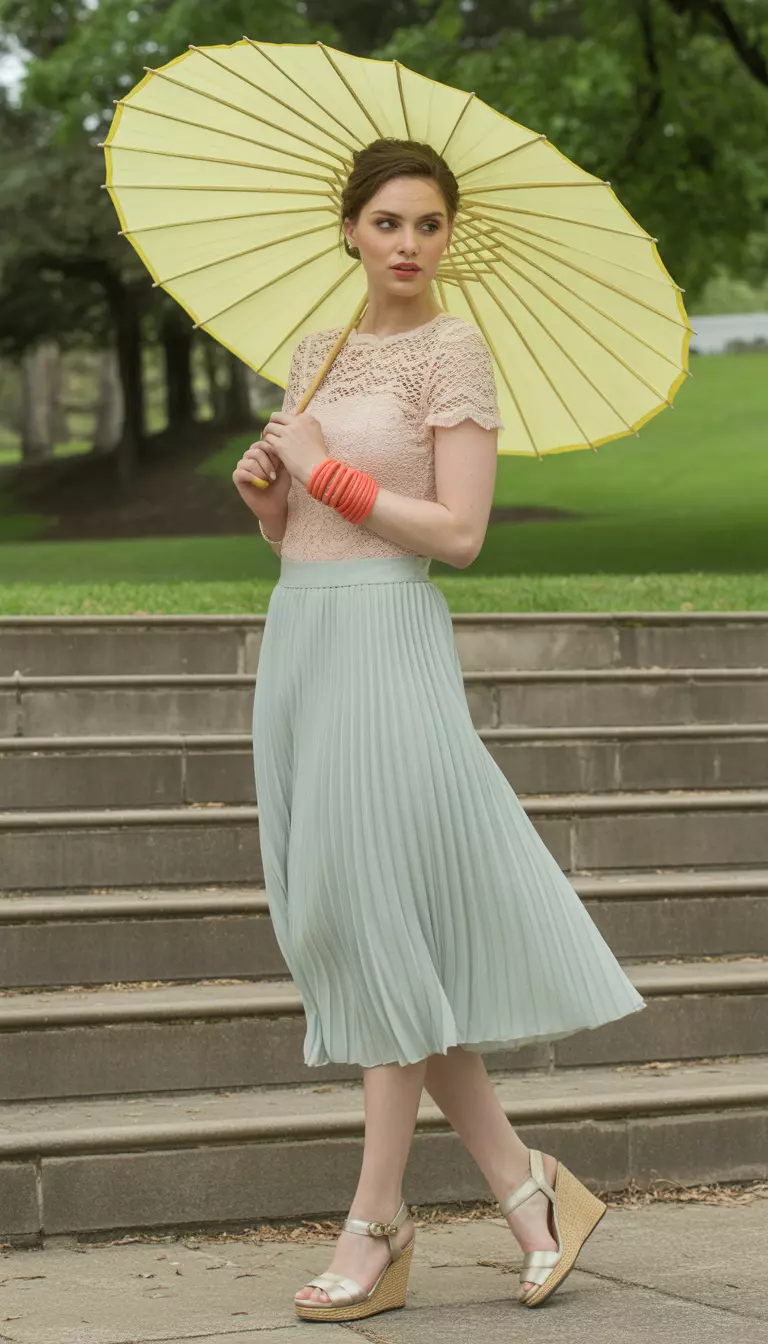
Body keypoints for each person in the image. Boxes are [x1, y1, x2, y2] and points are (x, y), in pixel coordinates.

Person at [233, 138, 646, 1324]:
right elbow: (305, 529)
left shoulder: (456, 348)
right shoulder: (318, 355)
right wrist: (274, 499)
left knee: (370, 919)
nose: (409, 244)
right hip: (302, 639)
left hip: (389, 647)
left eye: (428, 224)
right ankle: (529, 1195)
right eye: (387, 223)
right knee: (363, 926)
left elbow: (461, 536)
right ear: (349, 231)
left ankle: (376, 1223)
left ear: (447, 237)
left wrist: (332, 474)